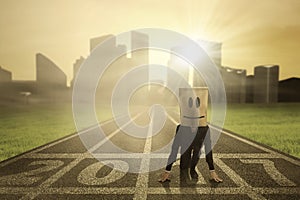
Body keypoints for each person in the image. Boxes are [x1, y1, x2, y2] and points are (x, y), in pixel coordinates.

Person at [159, 87, 222, 184]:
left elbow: (208, 150)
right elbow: (174, 150)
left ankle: (192, 168)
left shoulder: (204, 129)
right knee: (184, 165)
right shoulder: (181, 128)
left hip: (196, 149)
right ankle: (185, 168)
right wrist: (167, 170)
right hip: (185, 149)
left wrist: (212, 171)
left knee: (197, 152)